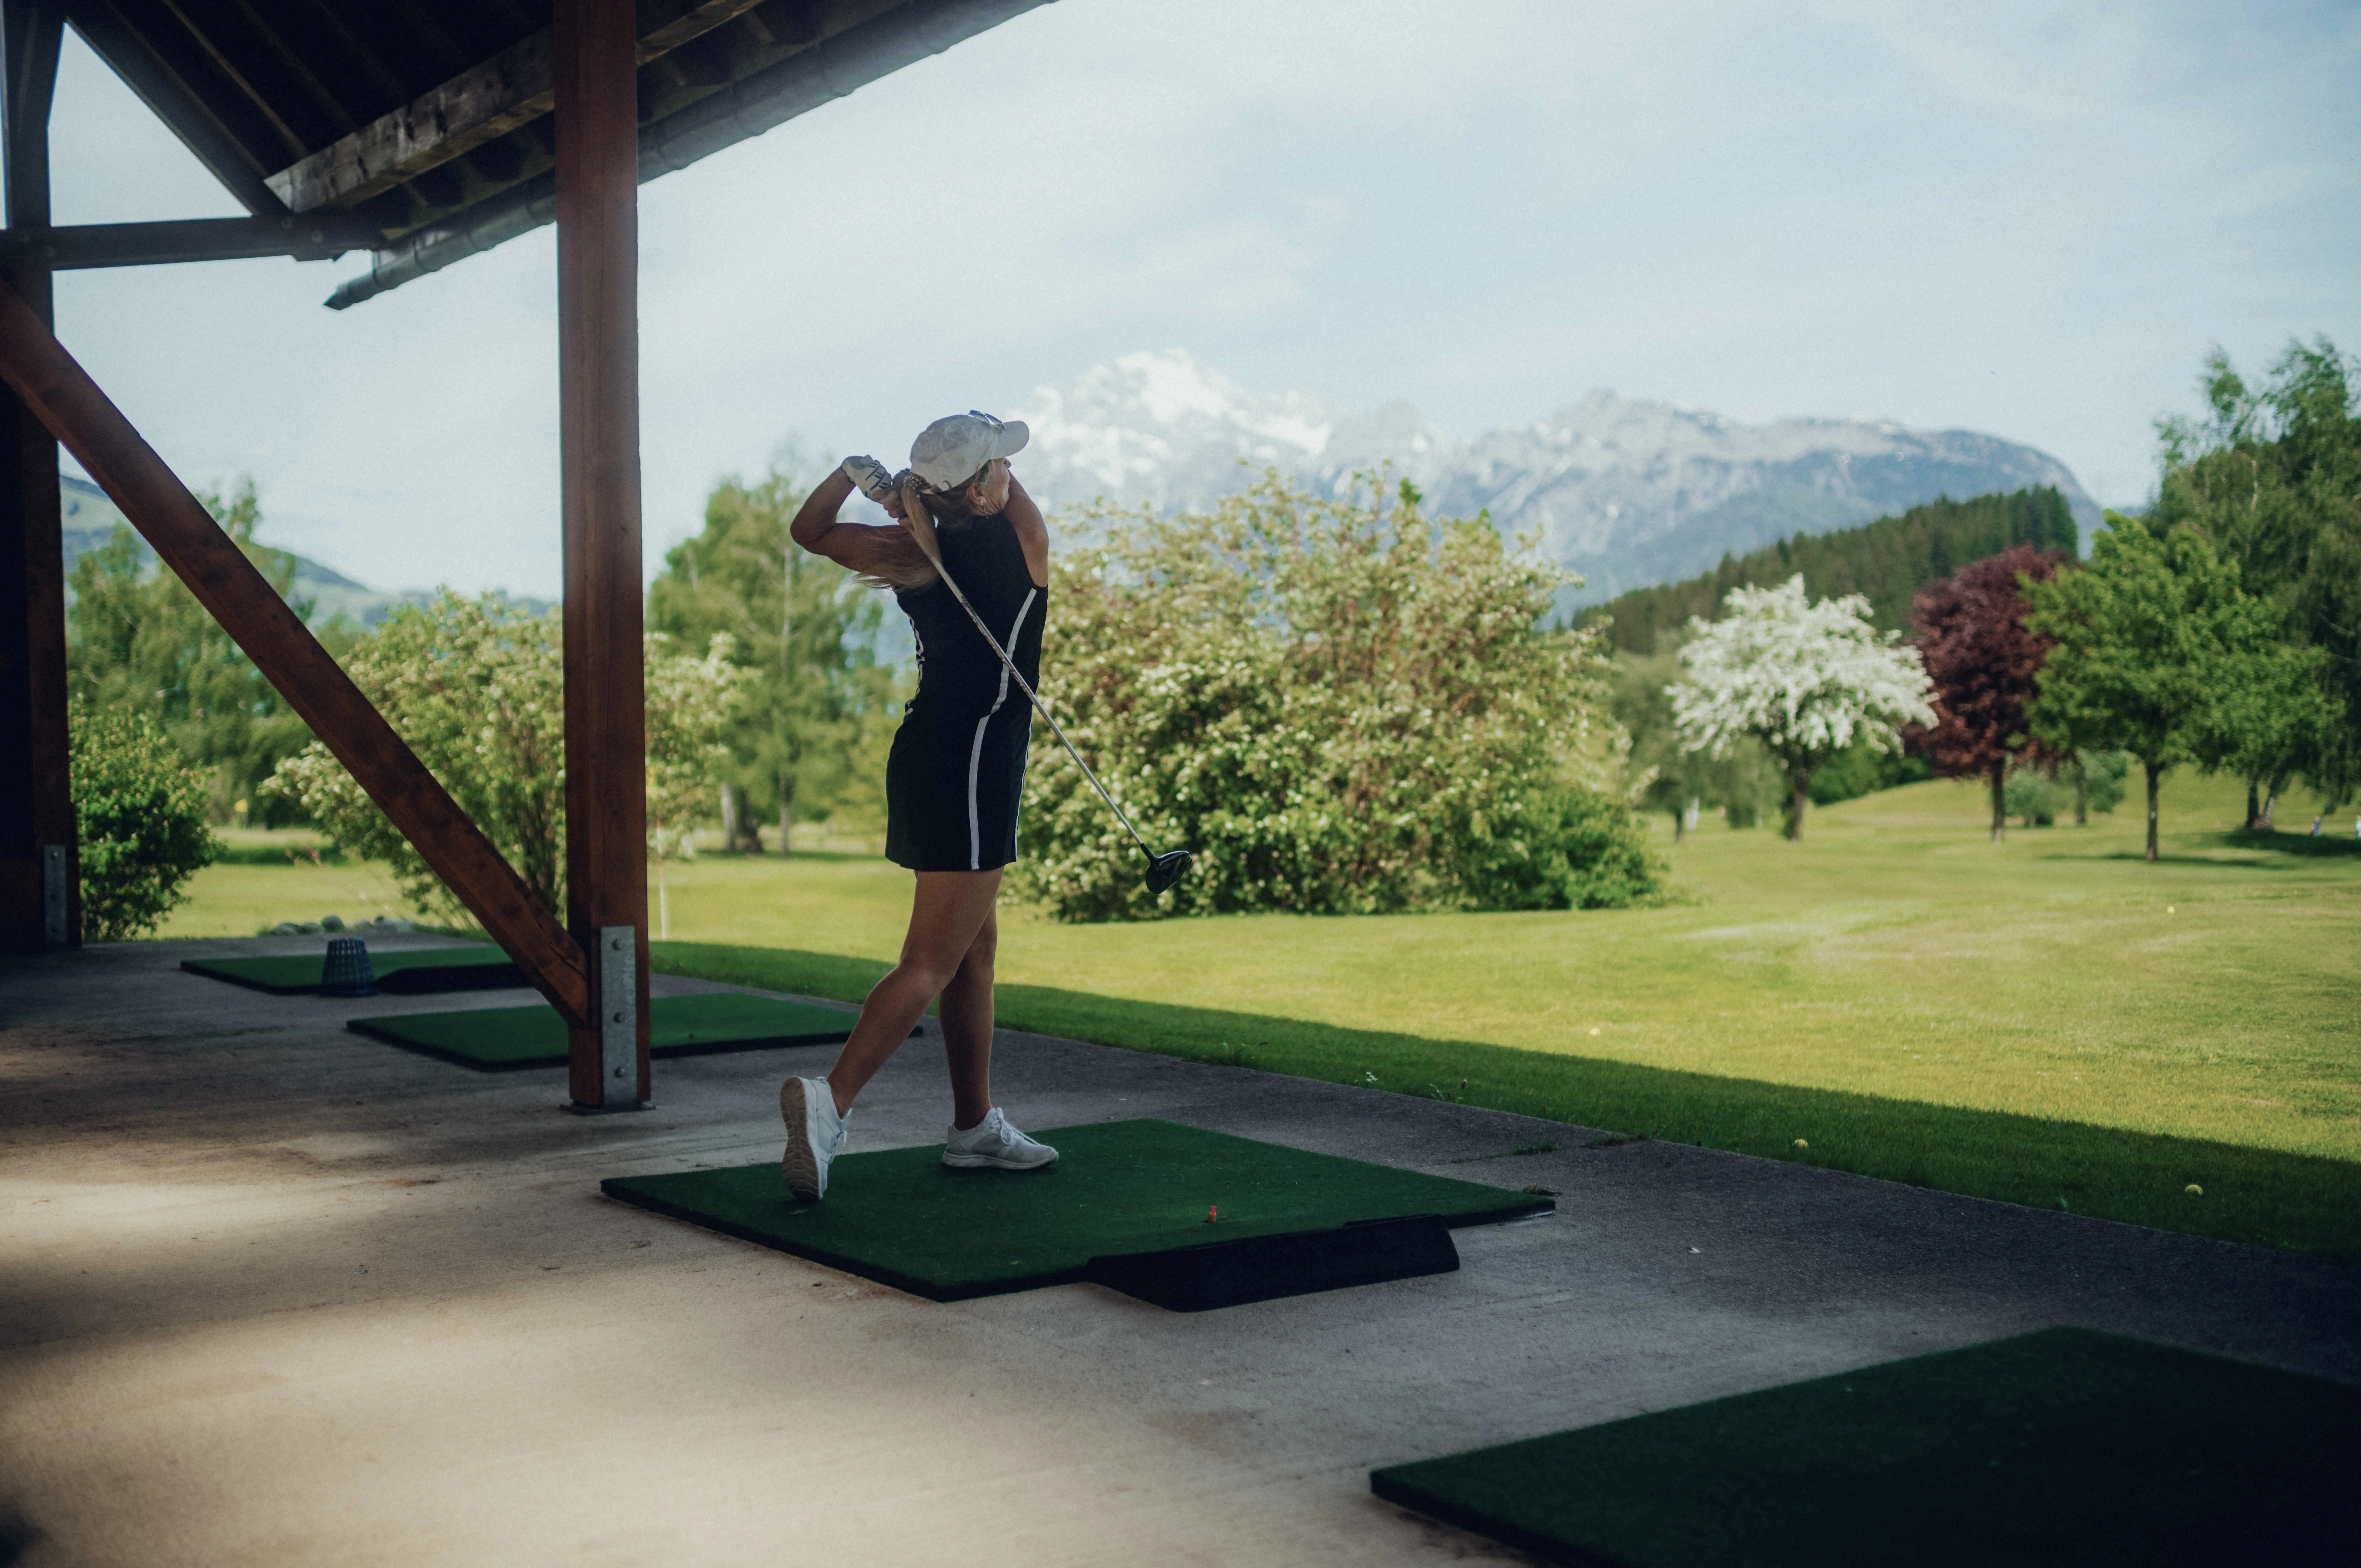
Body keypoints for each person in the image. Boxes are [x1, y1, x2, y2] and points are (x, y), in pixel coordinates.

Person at [773, 412, 1060, 1199]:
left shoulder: (908, 556)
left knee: (973, 953)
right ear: (982, 487)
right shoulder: (1020, 542)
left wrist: (861, 478)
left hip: (926, 754)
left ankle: (974, 1127)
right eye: (998, 466)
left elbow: (810, 531)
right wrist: (932, 498)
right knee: (930, 962)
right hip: (977, 766)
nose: (1009, 473)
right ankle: (830, 1107)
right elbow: (1011, 500)